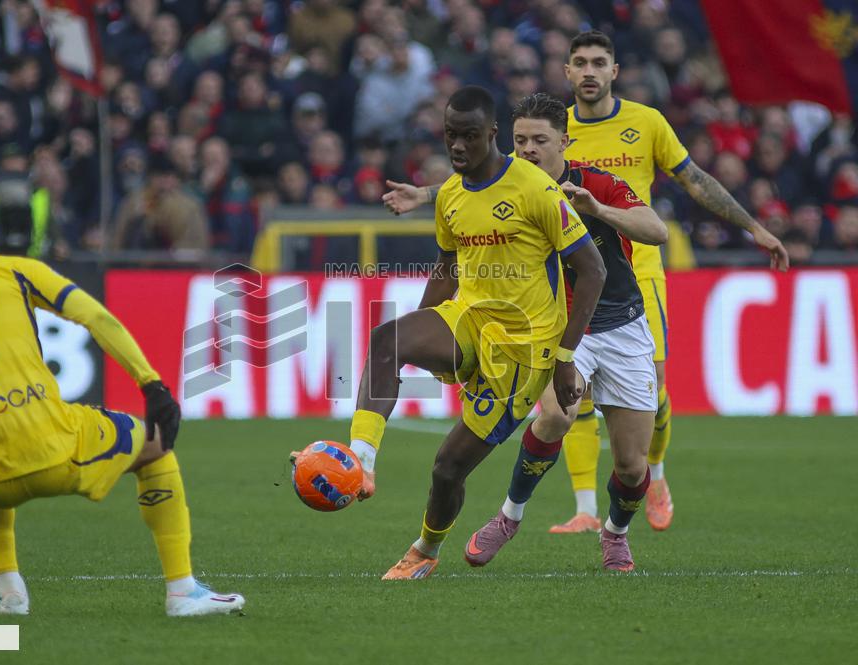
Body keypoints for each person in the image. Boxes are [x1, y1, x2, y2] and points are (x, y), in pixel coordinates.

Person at [0, 199, 243, 617]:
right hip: (53, 450)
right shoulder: (12, 269)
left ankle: (10, 593)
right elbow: (96, 318)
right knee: (156, 447)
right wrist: (150, 382)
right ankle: (183, 591)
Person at [306, 86, 606, 580]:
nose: (458, 146)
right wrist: (424, 335)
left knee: (448, 469)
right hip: (468, 317)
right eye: (450, 135)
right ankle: (360, 461)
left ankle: (425, 549)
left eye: (469, 136)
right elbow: (448, 265)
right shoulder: (449, 194)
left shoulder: (536, 190)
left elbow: (592, 271)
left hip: (524, 347)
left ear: (491, 135)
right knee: (388, 339)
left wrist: (566, 356)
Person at [383, 92, 669, 570]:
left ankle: (616, 534)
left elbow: (656, 231)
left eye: (540, 140)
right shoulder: (510, 184)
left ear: (565, 142)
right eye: (519, 140)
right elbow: (468, 185)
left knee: (631, 466)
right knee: (556, 416)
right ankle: (509, 516)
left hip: (621, 325)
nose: (528, 149)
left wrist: (596, 209)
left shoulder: (596, 184)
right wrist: (425, 194)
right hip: (556, 331)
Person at [550, 31, 789, 533]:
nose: (589, 71)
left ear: (614, 71)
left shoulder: (646, 122)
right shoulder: (553, 130)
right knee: (574, 390)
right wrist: (427, 192)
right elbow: (500, 179)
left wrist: (754, 228)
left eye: (599, 62)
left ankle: (655, 475)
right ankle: (585, 509)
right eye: (580, 63)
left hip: (638, 276)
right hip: (573, 276)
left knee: (653, 390)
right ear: (567, 72)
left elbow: (695, 179)